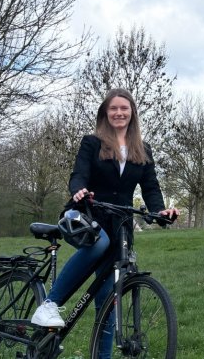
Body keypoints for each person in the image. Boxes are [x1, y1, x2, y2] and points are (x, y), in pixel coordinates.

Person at [30, 88, 178, 358]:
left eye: (124, 108)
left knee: (108, 306)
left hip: (120, 225)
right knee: (101, 243)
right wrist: (79, 190)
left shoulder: (142, 150)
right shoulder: (92, 143)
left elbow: (151, 187)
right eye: (113, 108)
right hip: (89, 215)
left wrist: (161, 211)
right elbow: (79, 174)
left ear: (132, 113)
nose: (119, 113)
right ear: (105, 113)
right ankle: (50, 305)